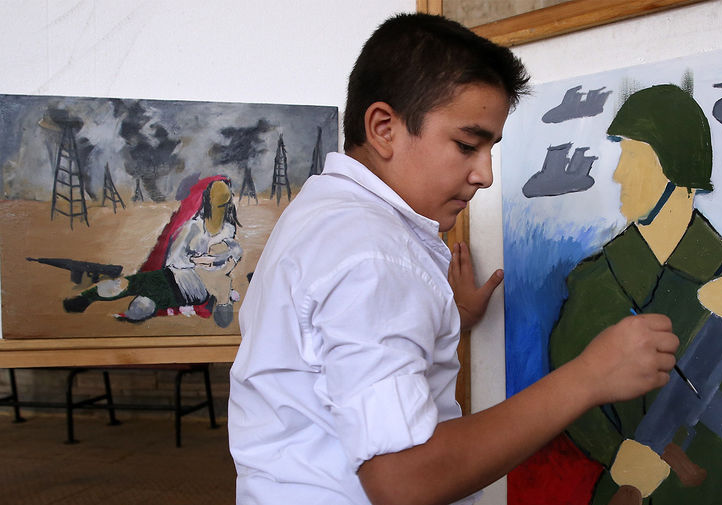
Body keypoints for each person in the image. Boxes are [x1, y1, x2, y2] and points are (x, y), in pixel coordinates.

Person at [227, 13, 680, 505]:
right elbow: (404, 479)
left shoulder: (325, 213)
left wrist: (447, 316)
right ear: (383, 128)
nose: (485, 175)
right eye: (467, 145)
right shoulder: (373, 254)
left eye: (490, 149)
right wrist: (589, 377)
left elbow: (329, 356)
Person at [547, 85, 722, 504]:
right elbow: (562, 394)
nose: (619, 174)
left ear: (680, 169)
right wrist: (616, 453)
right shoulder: (594, 286)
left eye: (635, 158)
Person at [63, 176, 243, 327]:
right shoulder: (194, 227)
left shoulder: (228, 230)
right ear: (208, 201)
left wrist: (217, 261)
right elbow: (175, 259)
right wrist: (198, 261)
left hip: (194, 289)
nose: (221, 209)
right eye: (218, 203)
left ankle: (87, 298)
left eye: (224, 204)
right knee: (140, 297)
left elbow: (234, 254)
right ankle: (87, 299)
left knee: (134, 288)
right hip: (177, 277)